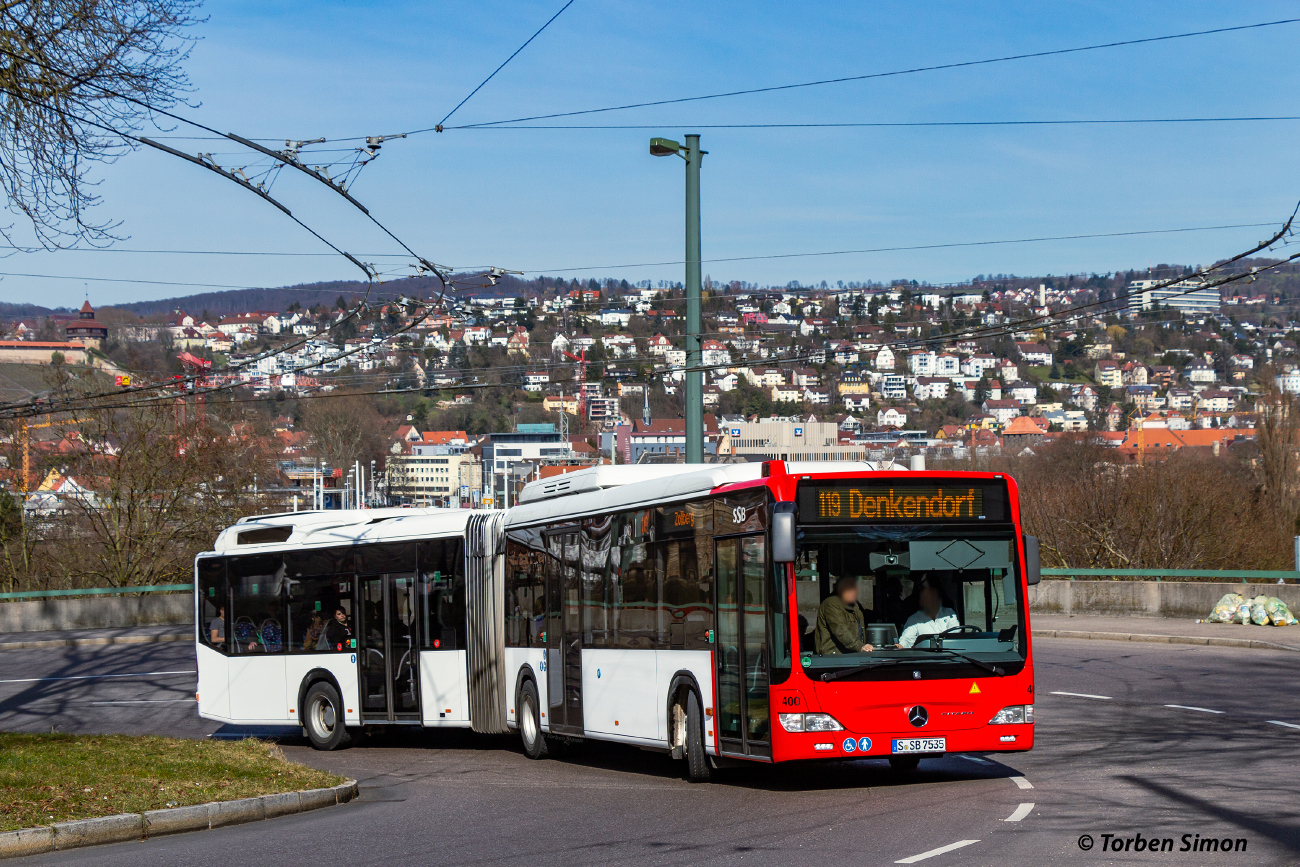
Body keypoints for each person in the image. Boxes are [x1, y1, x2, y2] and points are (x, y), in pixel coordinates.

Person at [815, 575, 874, 655]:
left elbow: (862, 628)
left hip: (853, 655)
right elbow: (840, 629)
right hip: (835, 657)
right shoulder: (831, 604)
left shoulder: (855, 605)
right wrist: (860, 646)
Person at [897, 577, 960, 648]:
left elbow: (955, 632)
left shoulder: (949, 613)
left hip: (950, 654)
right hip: (926, 657)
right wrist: (900, 646)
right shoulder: (914, 619)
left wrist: (943, 636)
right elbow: (907, 639)